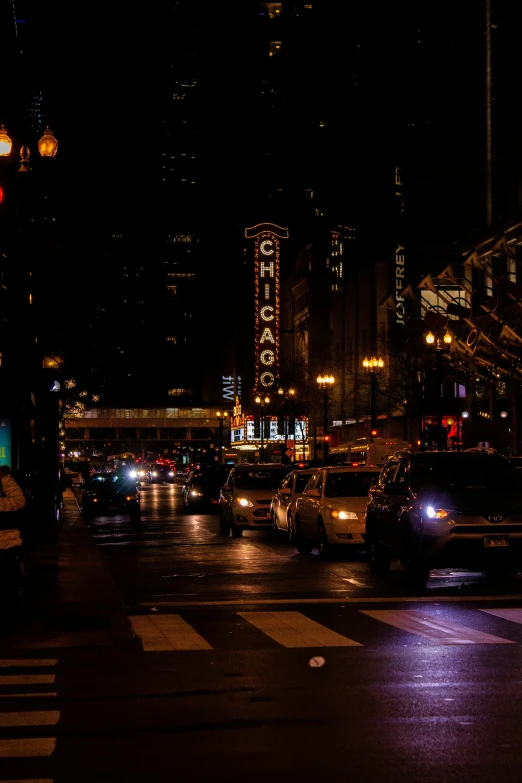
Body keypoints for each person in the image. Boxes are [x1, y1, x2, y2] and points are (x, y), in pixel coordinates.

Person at [0, 464, 25, 632]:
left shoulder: (4, 482)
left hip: (5, 543)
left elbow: (18, 501)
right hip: (5, 543)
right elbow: (18, 501)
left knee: (6, 585)